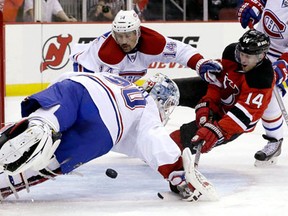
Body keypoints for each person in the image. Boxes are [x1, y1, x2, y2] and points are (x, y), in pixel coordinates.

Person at [0, 72, 217, 201]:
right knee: (46, 161)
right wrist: (178, 174)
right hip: (103, 128)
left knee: (44, 123)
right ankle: (6, 179)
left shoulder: (122, 83)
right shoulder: (147, 107)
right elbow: (154, 140)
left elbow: (68, 79)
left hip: (79, 87)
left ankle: (41, 123)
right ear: (163, 101)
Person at [170, 30, 275, 158]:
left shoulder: (262, 78)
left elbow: (243, 117)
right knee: (167, 89)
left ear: (261, 56)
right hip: (221, 98)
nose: (243, 59)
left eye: (248, 56)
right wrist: (207, 103)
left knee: (172, 145)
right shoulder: (231, 53)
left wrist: (216, 130)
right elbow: (217, 82)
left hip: (232, 120)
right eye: (241, 54)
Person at [70, 9, 222, 84]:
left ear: (138, 32)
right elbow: (103, 90)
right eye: (119, 36)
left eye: (128, 35)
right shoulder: (107, 54)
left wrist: (199, 63)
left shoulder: (153, 43)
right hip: (86, 71)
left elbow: (180, 51)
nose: (123, 41)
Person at [237, 0, 288, 165]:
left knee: (270, 96)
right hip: (259, 49)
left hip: (283, 56)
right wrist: (254, 4)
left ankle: (275, 141)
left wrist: (284, 65)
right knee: (233, 80)